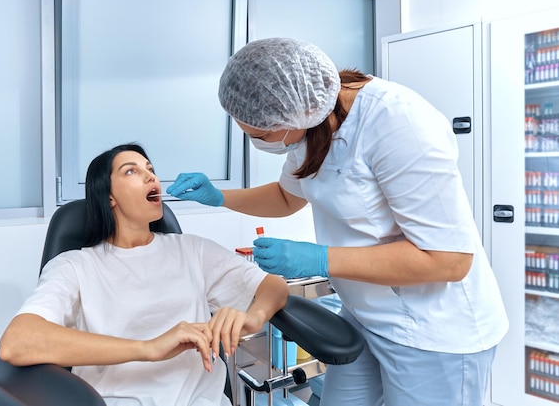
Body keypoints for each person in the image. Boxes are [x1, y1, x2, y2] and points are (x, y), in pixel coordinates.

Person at [167, 37, 509, 406]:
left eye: (261, 135)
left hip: (434, 329)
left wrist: (318, 259)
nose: (257, 143)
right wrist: (220, 198)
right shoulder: (312, 125)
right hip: (364, 315)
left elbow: (449, 259)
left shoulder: (399, 123)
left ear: (293, 113)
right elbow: (287, 196)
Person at [0, 143, 289, 406]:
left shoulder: (191, 250)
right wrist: (149, 348)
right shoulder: (75, 266)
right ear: (108, 196)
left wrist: (254, 317)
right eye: (131, 171)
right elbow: (18, 342)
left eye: (150, 169)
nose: (151, 177)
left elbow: (273, 286)